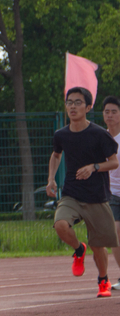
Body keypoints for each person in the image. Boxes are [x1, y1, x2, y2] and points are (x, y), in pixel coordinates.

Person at [46, 87, 119, 298]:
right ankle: (79, 249)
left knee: (99, 246)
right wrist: (51, 179)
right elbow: (56, 155)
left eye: (78, 102)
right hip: (72, 193)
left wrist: (93, 167)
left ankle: (103, 280)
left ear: (88, 107)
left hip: (97, 196)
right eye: (69, 102)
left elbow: (113, 162)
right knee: (60, 225)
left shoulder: (99, 134)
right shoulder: (61, 134)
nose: (72, 106)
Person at [103, 95, 120, 291]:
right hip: (113, 194)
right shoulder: (102, 137)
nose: (110, 115)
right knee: (116, 233)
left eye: (114, 111)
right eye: (106, 111)